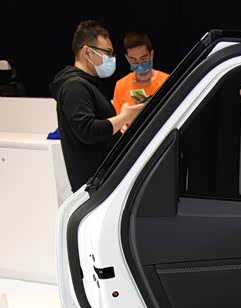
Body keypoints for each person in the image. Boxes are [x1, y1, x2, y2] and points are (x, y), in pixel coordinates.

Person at [50, 21, 143, 190]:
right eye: (107, 52)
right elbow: (87, 130)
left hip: (104, 181)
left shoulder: (87, 84)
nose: (111, 58)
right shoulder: (75, 86)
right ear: (87, 52)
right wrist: (124, 117)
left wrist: (119, 122)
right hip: (96, 186)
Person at [112, 32, 169, 114]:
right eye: (134, 60)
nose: (139, 64)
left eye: (143, 58)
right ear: (127, 58)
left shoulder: (166, 81)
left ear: (151, 54)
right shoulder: (121, 85)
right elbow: (117, 117)